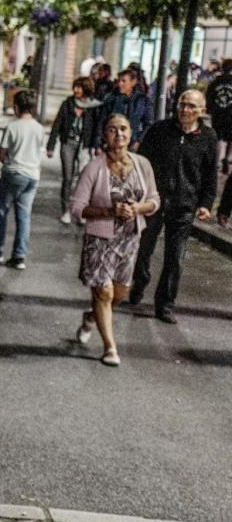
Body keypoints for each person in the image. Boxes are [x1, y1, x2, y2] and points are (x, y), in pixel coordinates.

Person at [70, 114, 160, 366]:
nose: (118, 134)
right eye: (112, 130)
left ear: (131, 134)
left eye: (123, 129)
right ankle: (110, 347)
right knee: (104, 293)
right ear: (105, 136)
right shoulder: (95, 167)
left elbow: (154, 200)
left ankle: (91, 317)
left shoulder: (142, 165)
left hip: (129, 240)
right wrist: (110, 211)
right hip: (99, 239)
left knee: (120, 292)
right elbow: (77, 207)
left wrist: (137, 208)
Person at [127, 89, 219, 323]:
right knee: (143, 248)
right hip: (154, 202)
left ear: (202, 111)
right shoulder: (160, 130)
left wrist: (206, 204)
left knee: (175, 258)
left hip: (184, 206)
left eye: (190, 106)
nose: (185, 110)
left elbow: (210, 174)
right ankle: (140, 280)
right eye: (182, 104)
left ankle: (165, 305)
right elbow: (141, 161)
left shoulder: (208, 138)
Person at [0, 90, 45, 269]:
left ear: (16, 108)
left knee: (1, 211)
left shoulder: (13, 127)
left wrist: (11, 161)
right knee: (24, 217)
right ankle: (19, 256)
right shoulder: (39, 128)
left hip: (14, 173)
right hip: (33, 176)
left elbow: (2, 154)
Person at [47, 77, 101, 224]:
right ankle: (65, 211)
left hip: (85, 146)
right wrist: (51, 145)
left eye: (79, 87)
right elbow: (57, 124)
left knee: (84, 180)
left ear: (86, 89)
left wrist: (97, 146)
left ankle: (80, 210)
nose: (76, 90)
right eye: (75, 87)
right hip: (68, 144)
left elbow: (97, 128)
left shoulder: (94, 106)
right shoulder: (68, 103)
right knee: (68, 178)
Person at [95, 69, 153, 151]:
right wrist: (98, 144)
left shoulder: (142, 100)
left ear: (133, 82)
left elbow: (148, 124)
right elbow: (102, 121)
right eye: (119, 81)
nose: (120, 84)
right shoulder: (111, 99)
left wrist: (139, 141)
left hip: (132, 145)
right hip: (112, 144)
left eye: (123, 81)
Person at [205, 59, 232, 174]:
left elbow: (208, 97)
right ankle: (228, 158)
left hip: (218, 114)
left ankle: (217, 161)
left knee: (218, 138)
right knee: (231, 138)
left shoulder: (216, 81)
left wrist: (211, 110)